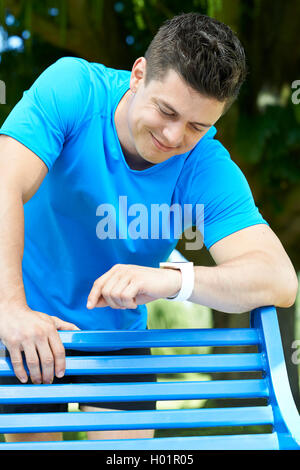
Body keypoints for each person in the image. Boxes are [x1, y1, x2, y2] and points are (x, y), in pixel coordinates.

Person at [0, 12, 298, 443]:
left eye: (197, 126)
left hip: (116, 340)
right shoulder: (74, 90)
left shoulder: (203, 166)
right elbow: (5, 183)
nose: (174, 137)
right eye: (167, 110)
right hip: (25, 323)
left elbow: (278, 278)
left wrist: (173, 279)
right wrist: (9, 309)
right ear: (139, 74)